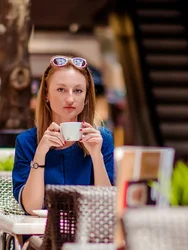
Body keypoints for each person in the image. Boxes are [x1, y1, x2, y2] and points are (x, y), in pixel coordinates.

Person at [12, 55, 115, 214]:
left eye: (78, 90)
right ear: (46, 94)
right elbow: (32, 208)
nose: (70, 98)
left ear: (86, 97)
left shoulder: (102, 140)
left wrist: (96, 155)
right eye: (61, 89)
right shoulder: (27, 142)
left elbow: (106, 207)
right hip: (40, 236)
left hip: (85, 235)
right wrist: (40, 153)